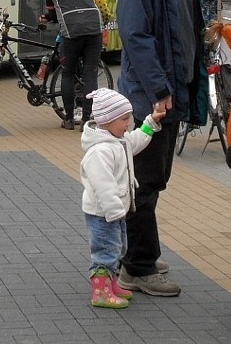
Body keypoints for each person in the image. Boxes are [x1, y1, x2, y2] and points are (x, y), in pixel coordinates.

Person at [113, 0, 207, 297]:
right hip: (149, 97)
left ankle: (138, 252)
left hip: (172, 90)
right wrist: (159, 90)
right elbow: (135, 36)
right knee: (144, 182)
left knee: (154, 179)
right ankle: (138, 266)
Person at [80, 88, 165, 308]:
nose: (128, 124)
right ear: (107, 121)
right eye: (124, 119)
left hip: (116, 212)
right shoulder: (99, 152)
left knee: (118, 248)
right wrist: (115, 211)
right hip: (104, 214)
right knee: (106, 251)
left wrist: (150, 123)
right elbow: (104, 186)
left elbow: (135, 141)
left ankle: (111, 284)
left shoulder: (119, 141)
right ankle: (100, 291)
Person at [41, 0, 104, 130]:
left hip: (71, 32)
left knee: (67, 73)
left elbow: (52, 12)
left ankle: (68, 119)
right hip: (94, 29)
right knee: (90, 74)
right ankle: (85, 119)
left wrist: (48, 18)